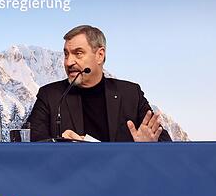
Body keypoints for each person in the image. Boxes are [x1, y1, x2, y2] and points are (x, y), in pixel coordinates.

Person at [26, 25, 171, 142]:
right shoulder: (51, 96)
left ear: (99, 55)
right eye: (66, 54)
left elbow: (165, 144)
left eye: (78, 53)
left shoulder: (130, 94)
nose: (68, 62)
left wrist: (148, 147)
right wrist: (62, 146)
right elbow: (30, 143)